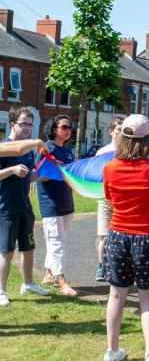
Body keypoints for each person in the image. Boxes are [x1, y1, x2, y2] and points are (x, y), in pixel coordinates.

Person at [102, 114, 149, 361]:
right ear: (147, 140)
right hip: (147, 238)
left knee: (116, 295)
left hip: (117, 236)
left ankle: (112, 351)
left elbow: (110, 200)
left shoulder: (109, 168)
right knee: (148, 298)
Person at [0, 107, 49, 306]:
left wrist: (48, 174)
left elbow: (28, 177)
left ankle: (28, 283)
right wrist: (11, 169)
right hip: (6, 208)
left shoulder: (27, 150)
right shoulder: (5, 146)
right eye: (23, 124)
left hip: (24, 206)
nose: (28, 128)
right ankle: (1, 291)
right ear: (12, 124)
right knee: (6, 250)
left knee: (28, 247)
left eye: (30, 124)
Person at [37, 115, 77, 297]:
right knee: (57, 242)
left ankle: (47, 274)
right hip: (50, 204)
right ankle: (61, 280)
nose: (68, 130)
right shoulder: (45, 148)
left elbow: (72, 176)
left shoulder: (68, 152)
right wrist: (56, 169)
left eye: (70, 127)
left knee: (59, 241)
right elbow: (40, 175)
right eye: (64, 127)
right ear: (54, 129)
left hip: (67, 203)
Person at [94, 116, 123, 281]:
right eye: (118, 129)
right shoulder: (102, 152)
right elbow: (96, 175)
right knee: (104, 236)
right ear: (111, 131)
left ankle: (118, 266)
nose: (121, 133)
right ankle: (102, 266)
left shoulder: (128, 152)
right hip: (105, 200)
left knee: (121, 236)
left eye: (124, 129)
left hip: (123, 200)